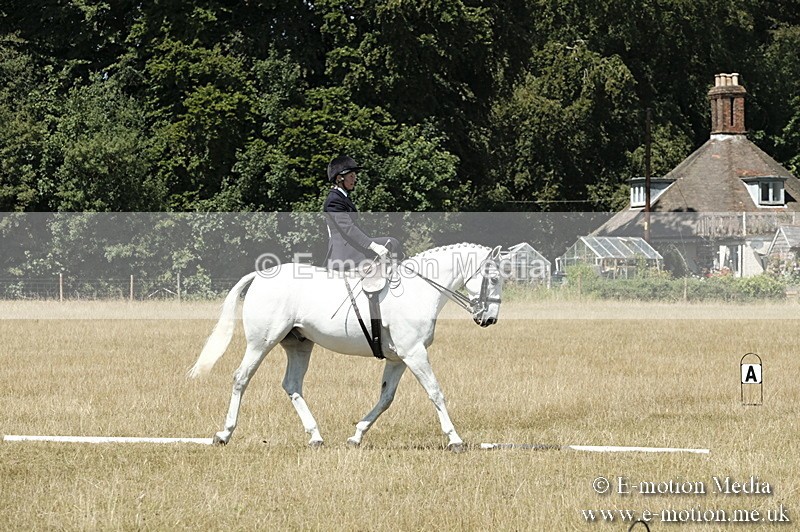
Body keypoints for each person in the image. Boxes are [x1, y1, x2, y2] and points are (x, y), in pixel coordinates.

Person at [323, 155, 401, 271]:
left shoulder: (342, 197)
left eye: (355, 175)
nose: (355, 179)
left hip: (351, 245)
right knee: (391, 243)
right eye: (351, 176)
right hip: (344, 252)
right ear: (339, 178)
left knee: (391, 243)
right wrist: (372, 245)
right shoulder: (334, 200)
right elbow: (348, 228)